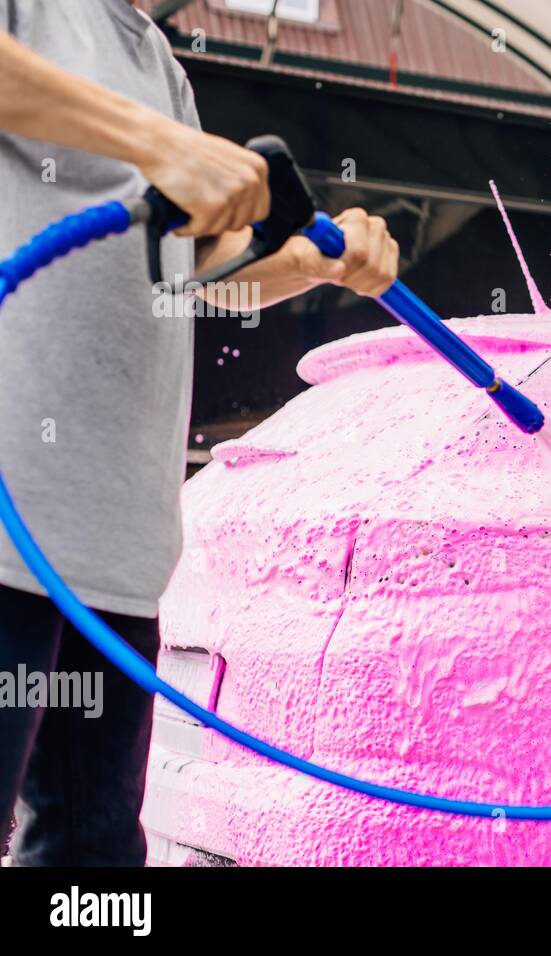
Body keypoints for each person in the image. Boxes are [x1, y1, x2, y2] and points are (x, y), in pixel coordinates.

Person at [0, 0, 399, 865]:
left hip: (116, 554)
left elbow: (185, 272)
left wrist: (317, 263)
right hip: (8, 528)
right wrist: (154, 141)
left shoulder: (159, 64)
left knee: (94, 864)